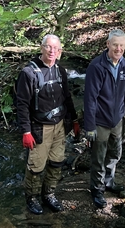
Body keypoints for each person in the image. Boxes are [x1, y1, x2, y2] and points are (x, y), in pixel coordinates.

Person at [16, 34, 79, 214]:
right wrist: (26, 131)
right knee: (36, 166)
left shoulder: (61, 71)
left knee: (56, 161)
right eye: (48, 47)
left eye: (56, 48)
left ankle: (48, 194)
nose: (52, 51)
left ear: (60, 51)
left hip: (60, 125)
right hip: (39, 127)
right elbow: (22, 104)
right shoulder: (29, 73)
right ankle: (32, 197)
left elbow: (67, 97)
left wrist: (74, 120)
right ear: (41, 48)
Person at [84, 29, 125, 209]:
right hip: (100, 121)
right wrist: (89, 126)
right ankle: (97, 190)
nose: (118, 48)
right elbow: (90, 99)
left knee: (115, 152)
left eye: (122, 45)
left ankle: (109, 181)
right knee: (99, 157)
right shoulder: (96, 67)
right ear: (107, 45)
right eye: (115, 45)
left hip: (118, 120)